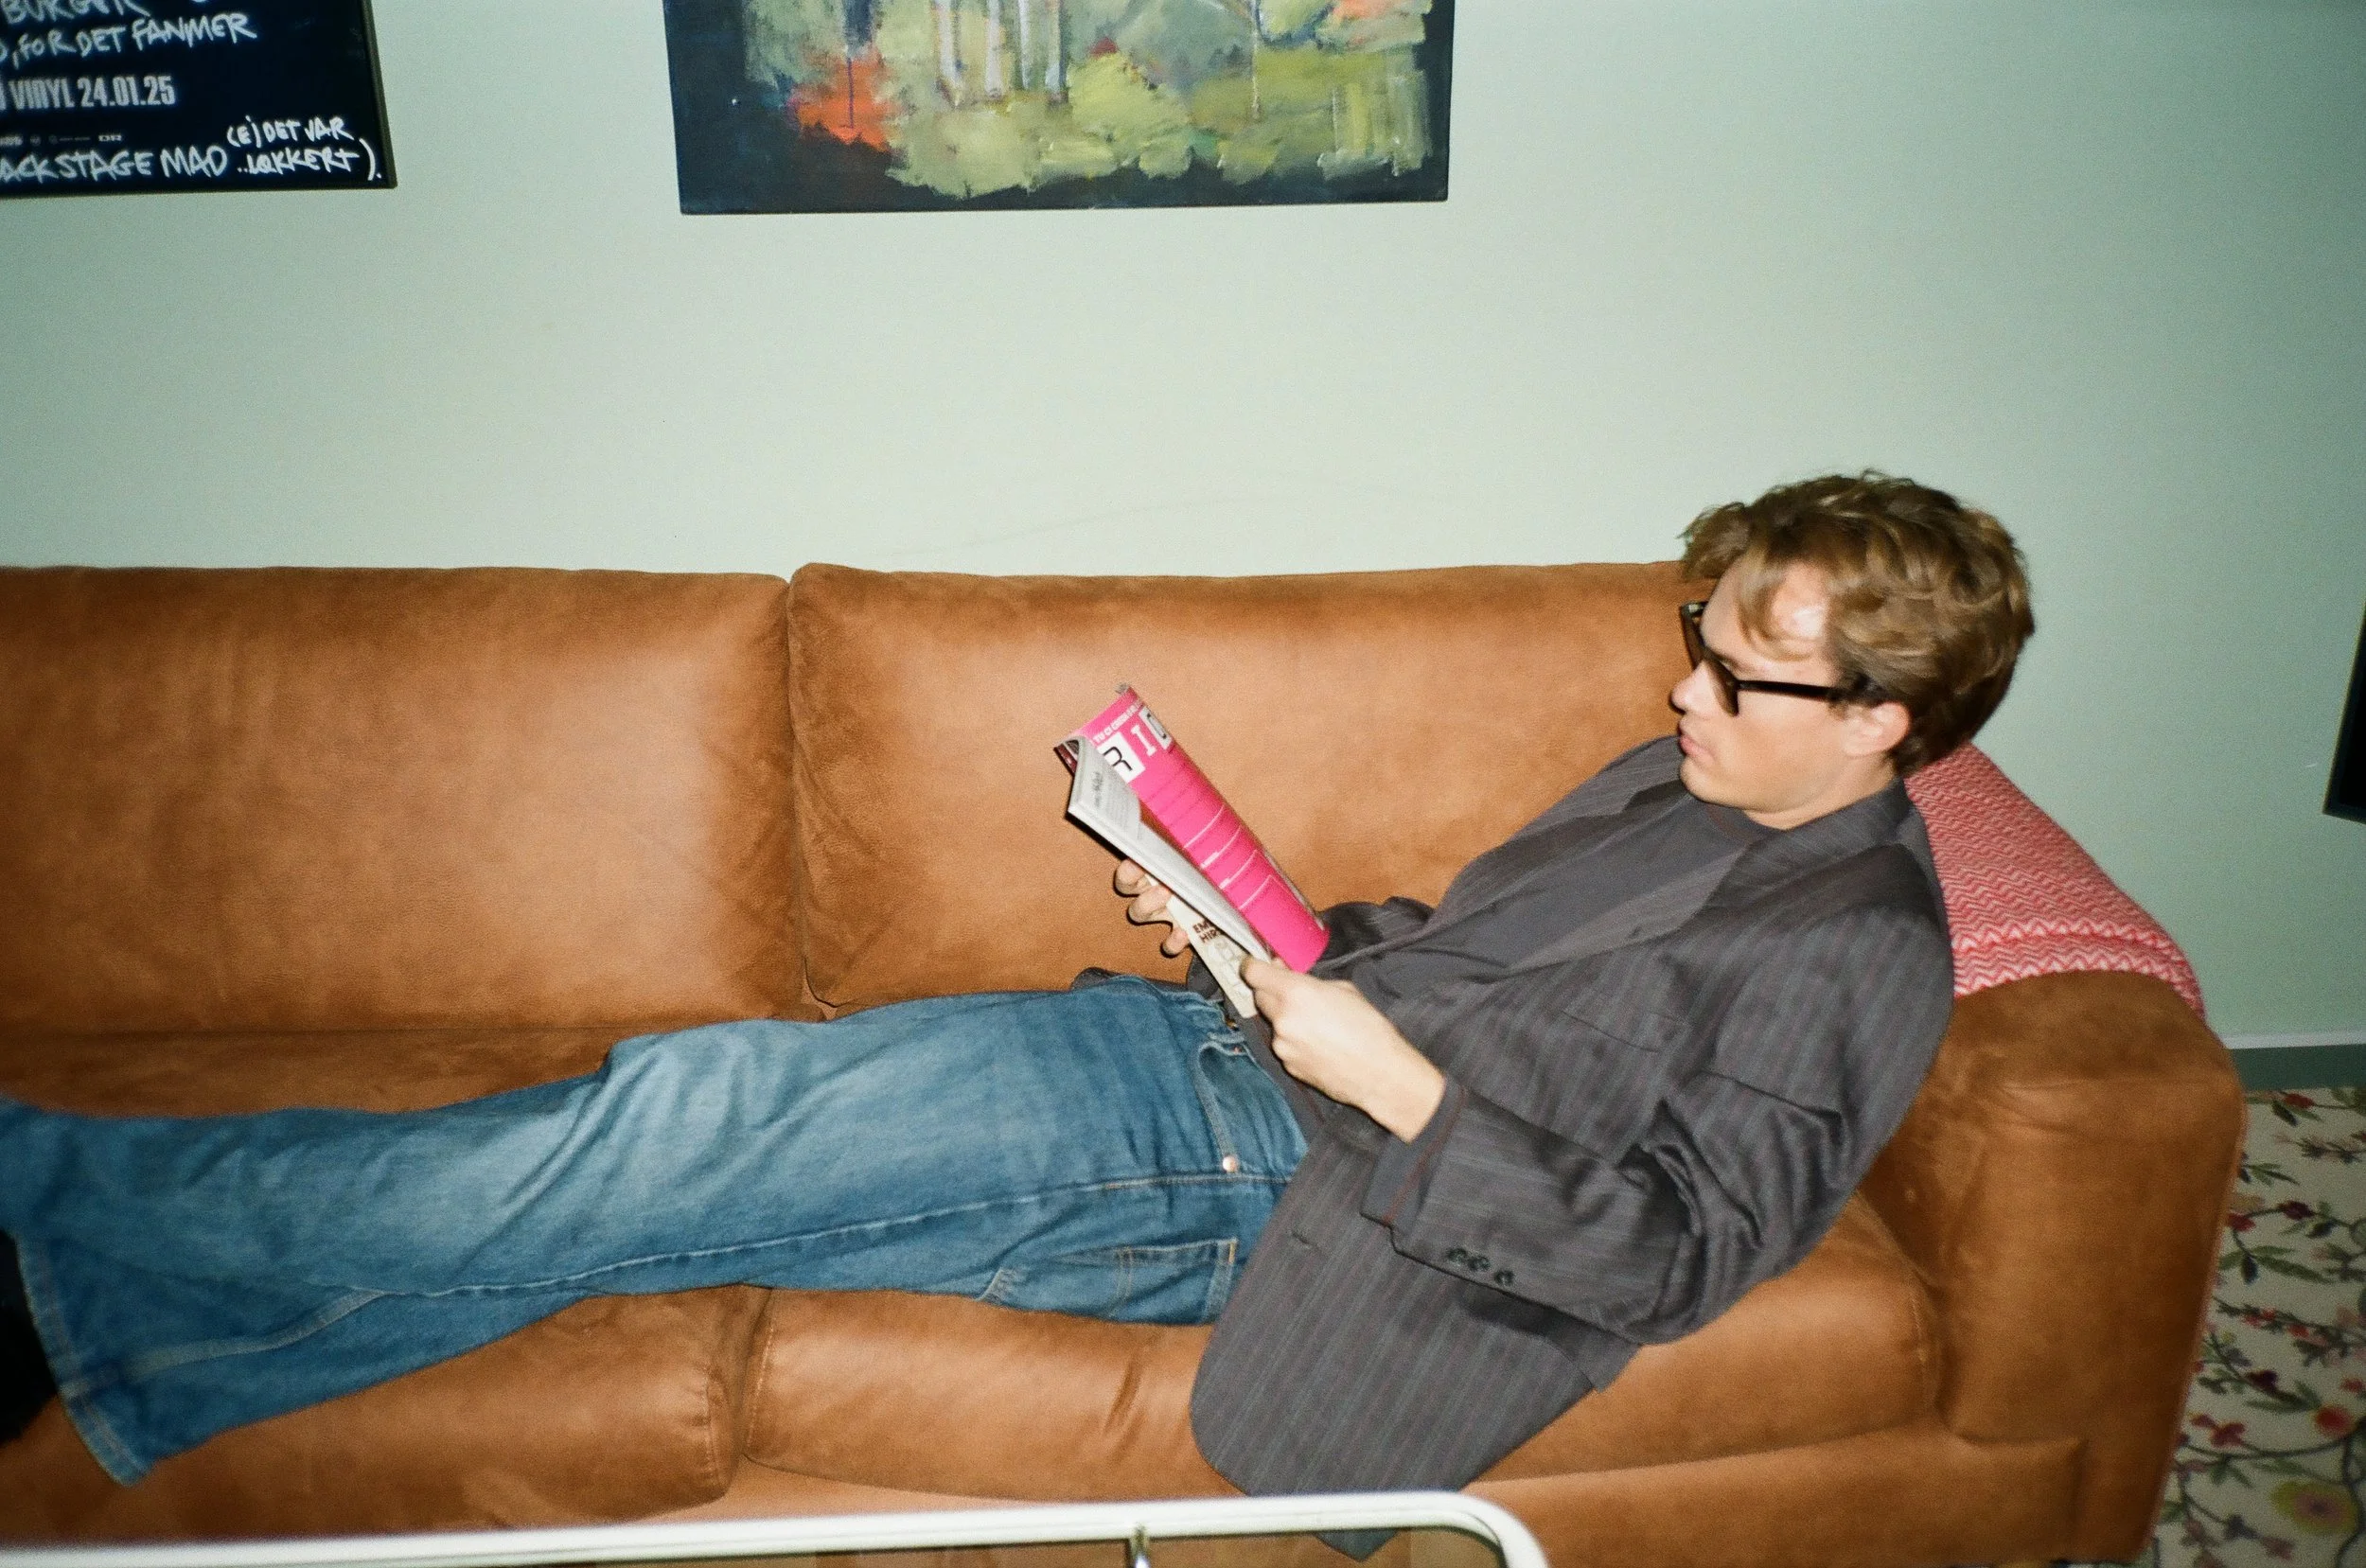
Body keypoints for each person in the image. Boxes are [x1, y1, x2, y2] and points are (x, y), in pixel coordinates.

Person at [0, 472, 2032, 1506]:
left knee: (686, 1120)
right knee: (659, 1144)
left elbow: (1667, 1254)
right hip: (1232, 1055)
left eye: (1735, 670)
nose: (1680, 685)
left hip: (1282, 1181)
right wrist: (1256, 920)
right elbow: (1486, 957)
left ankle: (35, 1197)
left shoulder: (1853, 949)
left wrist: (1390, 1084)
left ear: (1883, 721)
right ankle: (122, 1344)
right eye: (1696, 633)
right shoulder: (1689, 782)